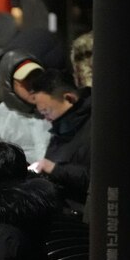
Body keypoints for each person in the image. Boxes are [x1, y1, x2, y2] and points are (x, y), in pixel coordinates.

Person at [29, 70, 92, 215]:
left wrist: (54, 169)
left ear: (68, 98)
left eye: (47, 111)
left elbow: (98, 178)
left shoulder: (95, 127)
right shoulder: (62, 127)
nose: (46, 119)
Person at [0, 49, 51, 164]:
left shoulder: (56, 112)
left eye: (37, 77)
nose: (33, 84)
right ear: (8, 84)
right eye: (26, 79)